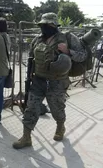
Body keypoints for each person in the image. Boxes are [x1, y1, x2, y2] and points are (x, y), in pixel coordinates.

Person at [12, 13, 87, 149]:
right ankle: (26, 137)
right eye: (42, 25)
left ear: (54, 25)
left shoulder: (67, 38)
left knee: (57, 110)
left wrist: (68, 51)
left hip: (57, 82)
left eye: (47, 25)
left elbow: (83, 55)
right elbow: (30, 59)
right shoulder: (37, 40)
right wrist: (29, 78)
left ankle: (60, 127)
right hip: (38, 81)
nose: (44, 27)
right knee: (31, 109)